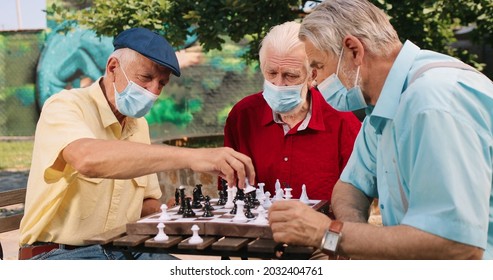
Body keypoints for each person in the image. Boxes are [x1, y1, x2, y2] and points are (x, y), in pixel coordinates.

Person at [268, 0, 493, 259]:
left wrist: (328, 233)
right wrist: (357, 241)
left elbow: (456, 245)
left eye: (318, 67)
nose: (315, 83)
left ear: (353, 50)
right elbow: (350, 186)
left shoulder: (432, 103)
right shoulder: (384, 102)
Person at [18, 27, 255, 260]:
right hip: (60, 253)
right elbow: (86, 159)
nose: (153, 91)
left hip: (122, 248)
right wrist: (194, 157)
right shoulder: (64, 105)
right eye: (146, 78)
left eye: (161, 83)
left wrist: (174, 211)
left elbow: (145, 204)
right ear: (113, 68)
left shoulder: (138, 125)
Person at [222, 21, 361, 203]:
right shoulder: (242, 116)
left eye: (291, 75)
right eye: (271, 73)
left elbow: (357, 198)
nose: (279, 84)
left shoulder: (342, 121)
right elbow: (228, 188)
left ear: (312, 75)